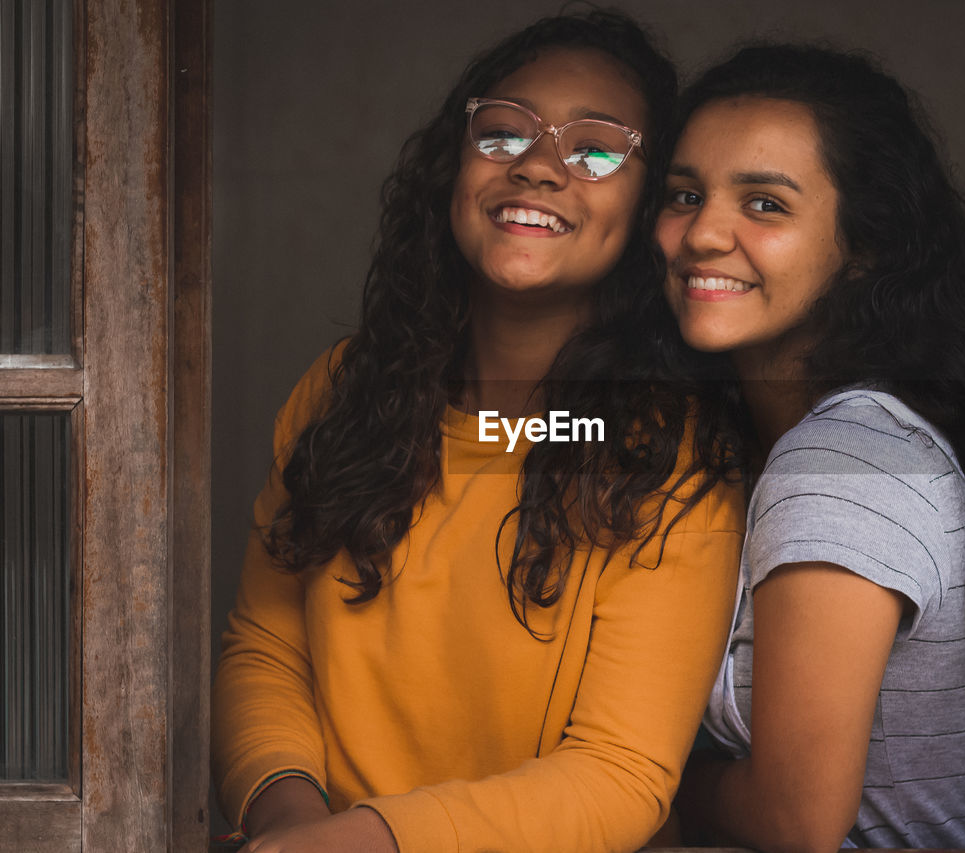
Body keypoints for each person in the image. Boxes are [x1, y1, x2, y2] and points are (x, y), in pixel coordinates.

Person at [211, 11, 745, 853]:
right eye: (503, 134)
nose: (537, 166)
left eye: (597, 149)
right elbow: (266, 649)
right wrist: (289, 822)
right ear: (451, 169)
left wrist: (360, 844)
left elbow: (619, 773)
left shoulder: (672, 456)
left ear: (650, 209)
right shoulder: (341, 392)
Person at [655, 44, 965, 850]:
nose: (703, 231)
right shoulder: (818, 439)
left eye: (765, 204)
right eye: (684, 194)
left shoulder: (843, 462)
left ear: (862, 249)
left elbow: (798, 819)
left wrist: (645, 790)